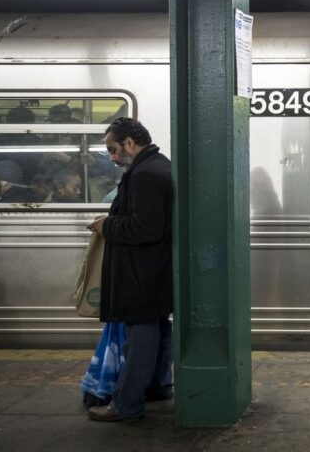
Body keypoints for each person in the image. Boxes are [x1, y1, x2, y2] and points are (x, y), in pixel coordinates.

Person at [86, 117, 174, 421]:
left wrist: (107, 224)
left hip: (141, 273)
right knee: (160, 329)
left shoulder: (145, 174)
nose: (111, 157)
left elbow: (146, 228)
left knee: (140, 339)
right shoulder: (160, 164)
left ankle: (127, 404)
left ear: (129, 143)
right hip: (155, 271)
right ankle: (158, 387)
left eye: (113, 150)